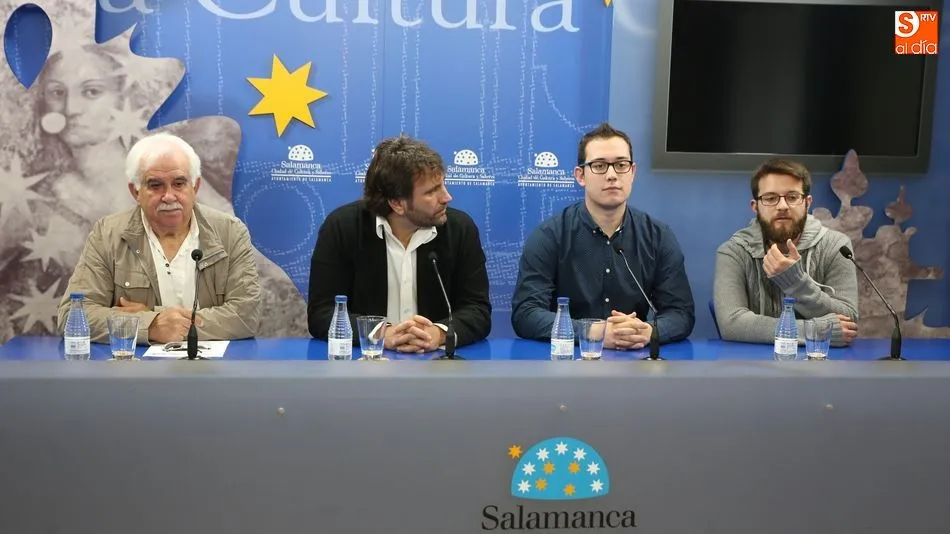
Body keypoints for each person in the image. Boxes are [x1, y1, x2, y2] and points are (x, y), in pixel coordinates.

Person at [56, 132, 262, 343]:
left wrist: (157, 318)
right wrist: (152, 325)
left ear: (195, 187)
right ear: (135, 192)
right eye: (155, 185)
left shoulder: (230, 232)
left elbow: (245, 315)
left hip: (213, 371)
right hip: (139, 372)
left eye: (179, 183)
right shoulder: (108, 234)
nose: (169, 196)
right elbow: (73, 316)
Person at [511, 123, 695, 349]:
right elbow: (526, 314)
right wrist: (592, 331)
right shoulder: (550, 236)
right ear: (581, 175)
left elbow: (681, 313)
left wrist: (649, 331)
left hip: (637, 365)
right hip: (568, 366)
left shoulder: (658, 236)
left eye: (621, 165)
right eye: (599, 166)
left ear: (633, 172)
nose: (611, 175)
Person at [307, 135, 491, 352]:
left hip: (435, 368)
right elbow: (322, 313)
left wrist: (439, 333)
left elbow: (478, 310)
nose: (446, 197)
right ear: (396, 203)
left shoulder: (460, 229)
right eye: (431, 191)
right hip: (365, 367)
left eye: (442, 185)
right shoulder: (343, 227)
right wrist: (382, 333)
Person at [714, 158, 859, 346]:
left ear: (807, 203)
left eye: (792, 197)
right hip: (752, 366)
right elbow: (731, 323)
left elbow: (848, 321)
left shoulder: (837, 246)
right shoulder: (733, 251)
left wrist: (795, 281)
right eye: (770, 198)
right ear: (755, 206)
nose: (782, 206)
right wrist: (815, 330)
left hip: (819, 366)